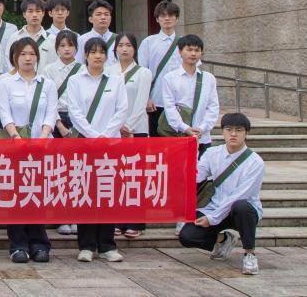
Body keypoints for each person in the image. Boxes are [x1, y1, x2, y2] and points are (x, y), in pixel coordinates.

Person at [66, 37, 128, 263]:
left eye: (101, 52)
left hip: (110, 144)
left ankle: (107, 245)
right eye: (93, 52)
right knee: (86, 192)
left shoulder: (116, 79)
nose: (97, 56)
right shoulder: (75, 80)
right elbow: (74, 112)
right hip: (85, 143)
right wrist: (93, 135)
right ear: (85, 55)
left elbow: (122, 109)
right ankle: (86, 245)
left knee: (107, 192)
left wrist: (106, 135)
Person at [179, 112, 264, 276]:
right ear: (222, 132)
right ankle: (224, 240)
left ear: (246, 133)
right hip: (214, 207)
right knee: (187, 236)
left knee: (242, 206)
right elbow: (195, 177)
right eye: (229, 129)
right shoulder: (212, 153)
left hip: (240, 212)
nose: (233, 134)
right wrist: (193, 152)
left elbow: (240, 195)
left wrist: (212, 218)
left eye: (239, 130)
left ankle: (249, 254)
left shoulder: (255, 162)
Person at [0, 36, 57, 263]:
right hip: (15, 147)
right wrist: (16, 137)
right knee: (16, 194)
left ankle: (39, 243)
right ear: (14, 57)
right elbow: (4, 113)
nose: (28, 58)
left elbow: (51, 112)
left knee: (36, 193)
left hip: (41, 146)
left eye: (31, 54)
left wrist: (43, 137)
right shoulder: (6, 83)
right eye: (23, 54)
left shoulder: (47, 84)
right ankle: (18, 245)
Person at [158, 34, 220, 157]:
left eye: (197, 50)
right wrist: (185, 128)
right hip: (178, 136)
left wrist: (202, 128)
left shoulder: (209, 78)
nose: (193, 54)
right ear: (180, 51)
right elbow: (169, 108)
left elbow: (213, 107)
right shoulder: (170, 78)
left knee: (202, 168)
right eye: (189, 49)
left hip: (202, 137)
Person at [115, 32, 151, 238]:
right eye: (121, 45)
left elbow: (140, 103)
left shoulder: (143, 73)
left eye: (128, 45)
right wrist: (117, 126)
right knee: (116, 176)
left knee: (135, 177)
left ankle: (135, 222)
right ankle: (116, 220)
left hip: (136, 130)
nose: (124, 49)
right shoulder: (109, 71)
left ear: (135, 49)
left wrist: (128, 126)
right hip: (114, 131)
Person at [140, 0, 182, 136]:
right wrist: (146, 98)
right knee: (156, 141)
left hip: (179, 102)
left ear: (177, 19)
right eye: (163, 15)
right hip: (155, 101)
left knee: (178, 141)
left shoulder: (184, 43)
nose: (167, 18)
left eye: (171, 15)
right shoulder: (148, 42)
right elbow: (142, 73)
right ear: (157, 19)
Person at [11, 0, 55, 69]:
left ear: (43, 13)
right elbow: (10, 63)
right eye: (30, 11)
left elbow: (54, 64)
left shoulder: (52, 39)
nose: (34, 15)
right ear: (24, 14)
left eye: (38, 11)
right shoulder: (15, 37)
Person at [75, 0, 119, 64]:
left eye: (106, 14)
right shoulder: (82, 40)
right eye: (98, 14)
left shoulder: (118, 39)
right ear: (90, 19)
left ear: (110, 18)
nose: (103, 17)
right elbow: (79, 64)